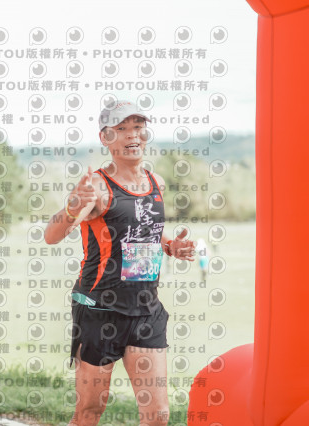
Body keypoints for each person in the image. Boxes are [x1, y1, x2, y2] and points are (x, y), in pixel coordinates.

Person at [44, 99, 197, 426]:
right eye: (122, 128)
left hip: (146, 309)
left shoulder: (156, 182)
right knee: (90, 411)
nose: (132, 135)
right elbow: (52, 235)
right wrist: (73, 207)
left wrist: (171, 245)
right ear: (105, 137)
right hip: (100, 310)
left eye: (138, 127)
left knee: (158, 414)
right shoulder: (97, 187)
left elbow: (143, 230)